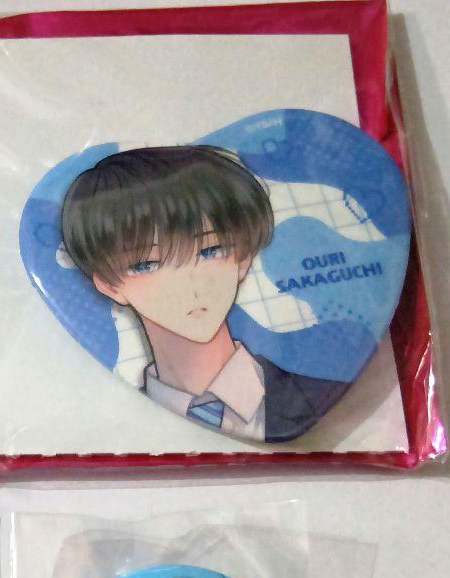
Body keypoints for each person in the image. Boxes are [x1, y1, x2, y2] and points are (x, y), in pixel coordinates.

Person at [61, 146, 343, 442]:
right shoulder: (108, 428)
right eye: (146, 264)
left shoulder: (315, 398)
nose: (190, 283)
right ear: (110, 285)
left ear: (243, 258)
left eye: (211, 250)